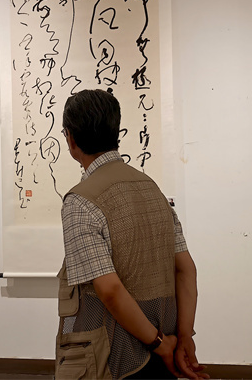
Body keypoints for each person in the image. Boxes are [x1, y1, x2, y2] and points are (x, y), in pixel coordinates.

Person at [55, 89, 208, 380]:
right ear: (116, 132)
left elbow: (109, 290)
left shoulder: (80, 201)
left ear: (71, 140)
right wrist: (183, 338)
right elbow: (186, 269)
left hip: (112, 359)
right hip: (164, 353)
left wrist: (159, 343)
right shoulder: (153, 190)